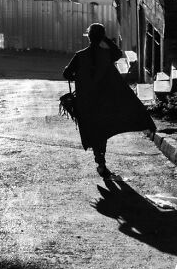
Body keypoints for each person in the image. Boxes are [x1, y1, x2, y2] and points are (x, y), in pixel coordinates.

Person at [62, 23, 155, 178]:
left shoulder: (80, 55)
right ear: (101, 37)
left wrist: (80, 77)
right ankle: (101, 161)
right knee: (102, 129)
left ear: (89, 37)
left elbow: (66, 74)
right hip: (104, 100)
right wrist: (105, 38)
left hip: (86, 101)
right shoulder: (106, 54)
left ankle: (100, 161)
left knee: (93, 130)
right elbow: (118, 52)